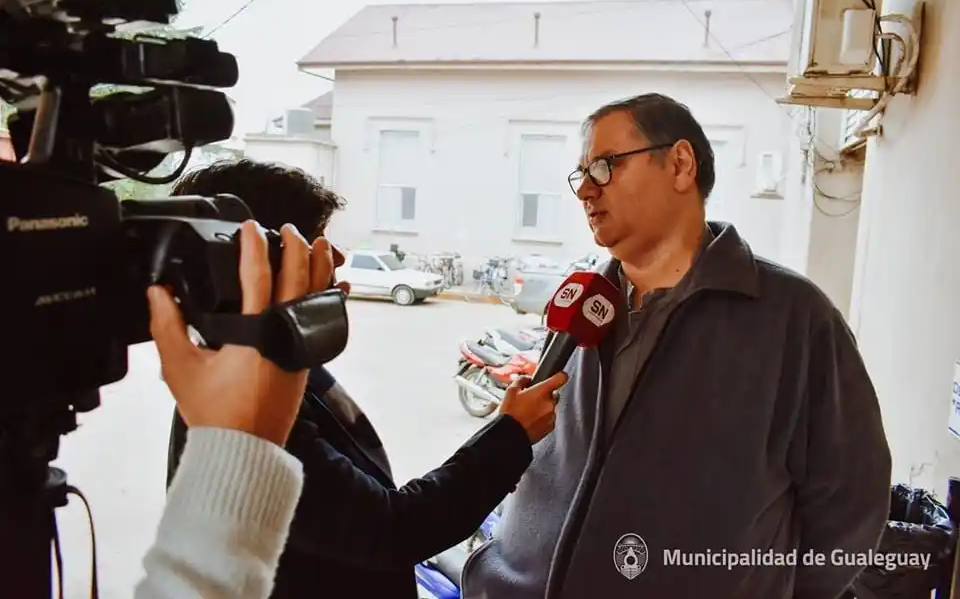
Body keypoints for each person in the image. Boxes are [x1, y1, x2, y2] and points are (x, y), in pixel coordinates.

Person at [461, 93, 892, 599]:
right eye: (581, 175)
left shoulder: (793, 318)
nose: (586, 192)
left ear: (681, 164)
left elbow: (850, 504)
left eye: (604, 166)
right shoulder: (583, 305)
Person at [164, 159, 568, 598]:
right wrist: (509, 436)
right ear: (246, 262)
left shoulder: (276, 368)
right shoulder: (238, 405)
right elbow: (390, 529)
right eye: (310, 241)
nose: (335, 258)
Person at [135, 219, 331, 598]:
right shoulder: (259, 390)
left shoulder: (270, 378)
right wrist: (242, 442)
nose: (331, 260)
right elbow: (389, 529)